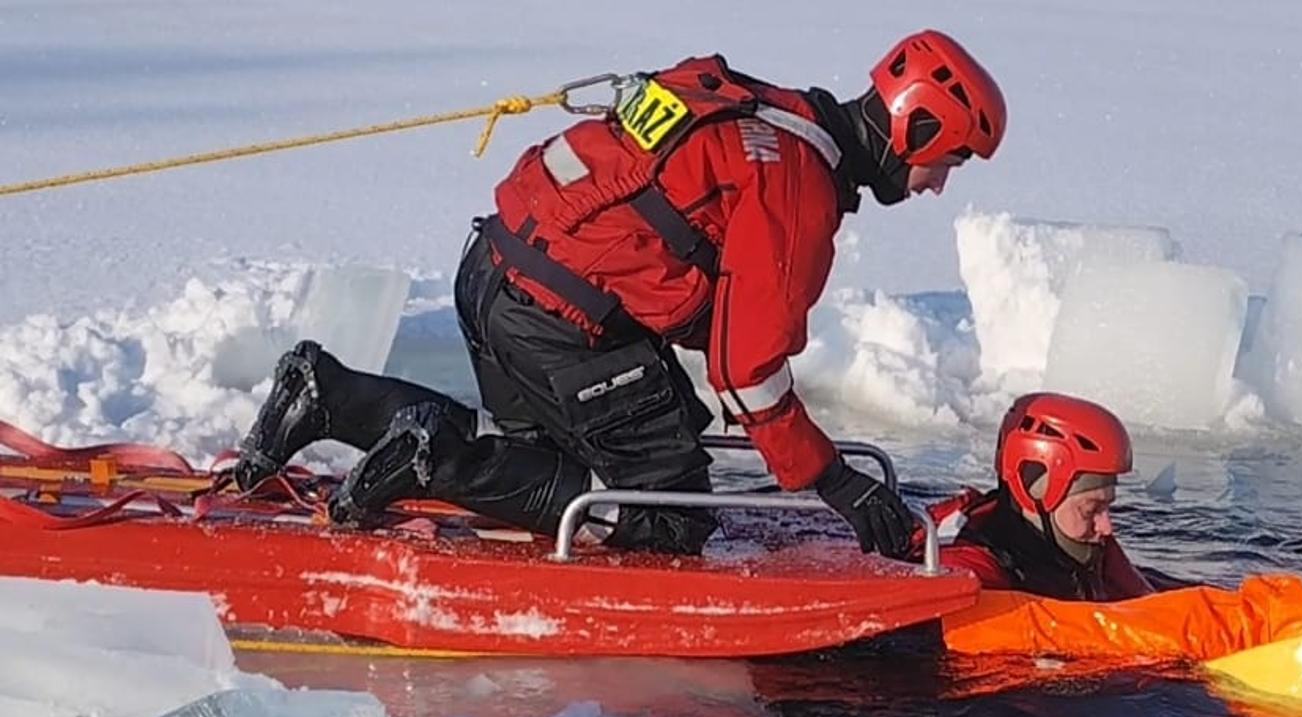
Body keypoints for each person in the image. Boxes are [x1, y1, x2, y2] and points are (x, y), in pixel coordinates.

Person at [228, 30, 1007, 559]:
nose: (938, 187)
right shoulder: (796, 185)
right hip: (559, 316)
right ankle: (433, 456)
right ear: (916, 132)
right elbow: (748, 372)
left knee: (540, 463)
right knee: (667, 515)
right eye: (949, 163)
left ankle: (328, 395)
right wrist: (835, 483)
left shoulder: (761, 107)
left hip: (494, 266)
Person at [939, 463, 1302, 660]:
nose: (1109, 528)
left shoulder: (1273, 619)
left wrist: (978, 621)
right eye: (1094, 509)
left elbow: (1150, 625)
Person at [929, 392, 1189, 601]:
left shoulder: (1086, 544)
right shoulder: (967, 572)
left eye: (1107, 506)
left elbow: (1147, 605)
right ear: (1034, 495)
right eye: (1090, 510)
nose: (1107, 527)